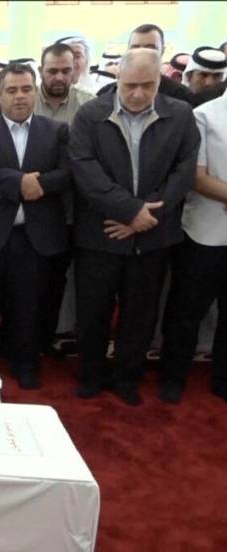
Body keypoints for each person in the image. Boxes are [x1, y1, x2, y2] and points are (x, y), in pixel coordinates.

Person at [70, 48, 200, 405]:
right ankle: (91, 374)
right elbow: (85, 170)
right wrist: (130, 211)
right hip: (101, 232)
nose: (139, 94)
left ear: (160, 80)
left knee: (140, 313)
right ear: (117, 80)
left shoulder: (181, 116)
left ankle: (127, 377)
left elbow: (183, 172)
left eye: (148, 85)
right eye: (131, 85)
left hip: (153, 236)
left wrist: (145, 217)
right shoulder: (90, 115)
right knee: (93, 310)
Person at [0, 63, 71, 389]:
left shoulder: (56, 131)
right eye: (11, 90)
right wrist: (20, 183)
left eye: (26, 89)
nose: (19, 96)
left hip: (34, 239)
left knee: (28, 308)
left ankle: (25, 364)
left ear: (35, 92)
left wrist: (41, 184)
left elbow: (66, 173)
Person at [159, 88, 227, 404]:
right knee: (187, 310)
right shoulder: (204, 115)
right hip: (205, 231)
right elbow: (196, 178)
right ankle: (173, 375)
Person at [34, 42, 97, 356]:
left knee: (60, 281)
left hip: (74, 210)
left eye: (65, 70)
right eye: (52, 70)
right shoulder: (23, 100)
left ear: (76, 71)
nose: (59, 76)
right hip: (30, 208)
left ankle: (51, 339)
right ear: (41, 71)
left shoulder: (91, 106)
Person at [96, 24, 197, 106]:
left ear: (163, 51)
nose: (142, 54)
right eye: (135, 48)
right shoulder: (106, 95)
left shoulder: (182, 97)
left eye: (150, 48)